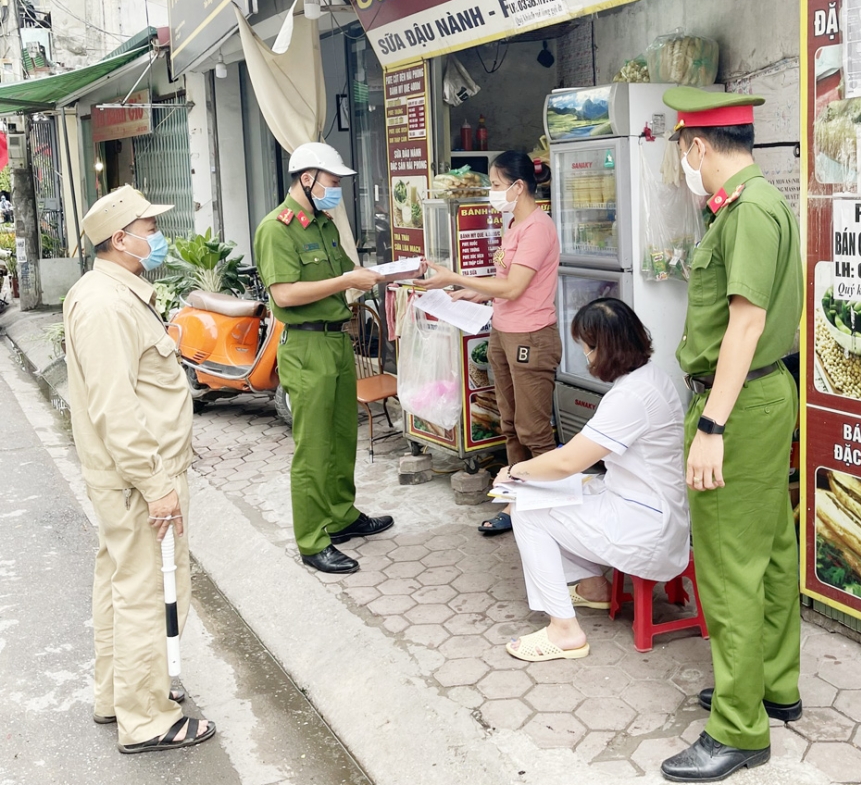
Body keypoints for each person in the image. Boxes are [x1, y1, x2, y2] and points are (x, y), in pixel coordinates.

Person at [658, 88, 803, 783]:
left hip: (737, 404)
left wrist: (711, 424)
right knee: (771, 546)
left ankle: (739, 729)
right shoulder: (762, 202)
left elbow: (744, 324)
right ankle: (771, 685)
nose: (682, 165)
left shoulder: (746, 212)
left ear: (697, 147)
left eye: (680, 152)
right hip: (764, 395)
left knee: (727, 565)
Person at [63, 185, 215, 754]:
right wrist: (157, 486)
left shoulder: (110, 292)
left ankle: (116, 696)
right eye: (150, 228)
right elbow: (116, 407)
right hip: (139, 476)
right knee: (148, 592)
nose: (157, 236)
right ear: (121, 239)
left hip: (127, 475)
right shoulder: (105, 303)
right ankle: (148, 718)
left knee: (120, 584)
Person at [254, 143, 421, 575]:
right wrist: (346, 279)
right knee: (313, 447)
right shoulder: (277, 229)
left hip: (337, 341)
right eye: (331, 183)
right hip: (306, 345)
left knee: (344, 435)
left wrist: (398, 274)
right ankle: (312, 540)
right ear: (306, 179)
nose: (336, 191)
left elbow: (348, 276)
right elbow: (284, 294)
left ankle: (342, 516)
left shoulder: (324, 225)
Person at [492, 298, 689, 662]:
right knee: (568, 491)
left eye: (587, 349)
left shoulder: (629, 397)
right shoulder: (652, 377)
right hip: (651, 506)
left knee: (528, 512)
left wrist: (516, 472)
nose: (586, 358)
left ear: (604, 349)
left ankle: (564, 630)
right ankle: (594, 585)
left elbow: (568, 460)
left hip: (647, 528)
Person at [422, 151, 561, 536]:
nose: (492, 193)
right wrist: (477, 295)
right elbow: (507, 283)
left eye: (497, 186)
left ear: (518, 187)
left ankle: (555, 507)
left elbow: (516, 286)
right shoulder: (513, 223)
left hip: (530, 337)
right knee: (511, 426)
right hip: (503, 331)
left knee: (534, 430)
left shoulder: (537, 227)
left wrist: (460, 279)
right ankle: (518, 505)